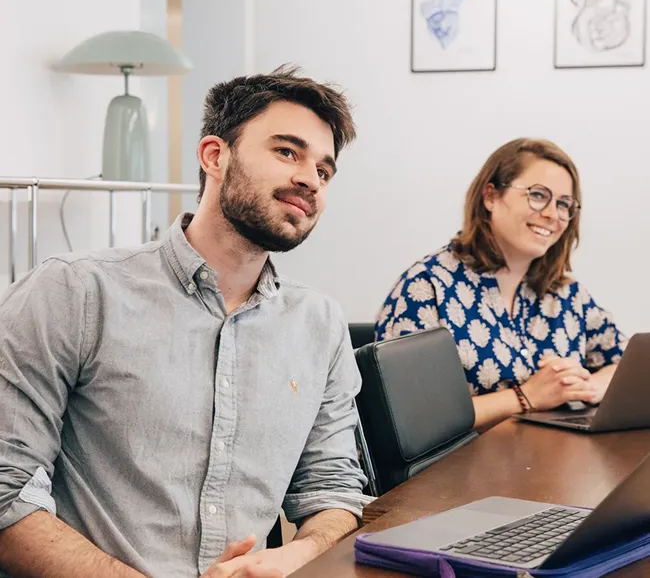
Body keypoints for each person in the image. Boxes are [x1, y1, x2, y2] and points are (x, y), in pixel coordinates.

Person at [0, 67, 371, 578]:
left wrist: (295, 555)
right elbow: (5, 493)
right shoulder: (75, 293)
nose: (310, 179)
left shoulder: (319, 324)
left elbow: (332, 488)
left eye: (324, 171)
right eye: (287, 152)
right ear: (215, 156)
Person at [376, 138, 627, 431]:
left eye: (564, 204)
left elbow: (628, 367)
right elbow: (410, 418)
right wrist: (527, 396)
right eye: (538, 195)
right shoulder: (428, 286)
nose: (552, 214)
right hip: (456, 472)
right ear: (491, 197)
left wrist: (589, 386)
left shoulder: (568, 295)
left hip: (549, 465)